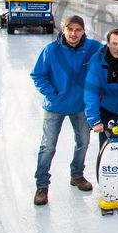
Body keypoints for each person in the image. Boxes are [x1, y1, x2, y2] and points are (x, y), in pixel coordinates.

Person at [30, 15, 101, 206]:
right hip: (55, 106)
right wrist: (53, 94)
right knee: (48, 146)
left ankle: (77, 175)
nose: (73, 34)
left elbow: (112, 48)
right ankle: (42, 186)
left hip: (80, 106)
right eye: (70, 30)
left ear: (83, 31)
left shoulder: (92, 47)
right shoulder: (51, 50)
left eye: (78, 30)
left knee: (83, 142)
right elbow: (38, 75)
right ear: (63, 30)